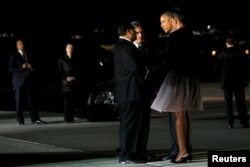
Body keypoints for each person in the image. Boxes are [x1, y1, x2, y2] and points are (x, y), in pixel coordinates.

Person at [150, 7, 203, 163]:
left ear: (174, 20)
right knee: (184, 114)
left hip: (178, 79)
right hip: (190, 78)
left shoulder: (176, 37)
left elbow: (168, 62)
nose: (161, 25)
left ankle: (183, 151)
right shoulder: (190, 34)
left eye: (163, 21)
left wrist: (153, 77)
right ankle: (185, 149)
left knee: (178, 114)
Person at [113, 22, 147, 164]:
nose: (136, 33)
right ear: (128, 31)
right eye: (134, 31)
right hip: (130, 93)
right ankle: (127, 155)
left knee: (128, 125)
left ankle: (129, 154)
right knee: (130, 125)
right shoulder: (126, 47)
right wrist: (145, 81)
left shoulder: (119, 46)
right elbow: (134, 67)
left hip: (125, 93)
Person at [214, 36, 249, 128]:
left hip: (226, 81)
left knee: (228, 103)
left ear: (226, 44)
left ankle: (230, 123)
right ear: (235, 43)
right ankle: (244, 122)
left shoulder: (222, 54)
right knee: (241, 102)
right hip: (239, 81)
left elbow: (217, 68)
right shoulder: (241, 54)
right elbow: (246, 67)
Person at [8, 39, 45, 125]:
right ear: (17, 46)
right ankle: (20, 120)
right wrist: (21, 67)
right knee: (19, 101)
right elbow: (10, 69)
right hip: (19, 81)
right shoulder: (14, 55)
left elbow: (34, 65)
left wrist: (31, 66)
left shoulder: (27, 54)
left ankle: (35, 119)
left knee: (31, 100)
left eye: (22, 44)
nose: (21, 45)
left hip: (28, 80)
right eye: (19, 44)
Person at [58, 42, 77, 123]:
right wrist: (66, 78)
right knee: (66, 101)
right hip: (65, 83)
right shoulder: (62, 59)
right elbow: (60, 70)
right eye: (69, 47)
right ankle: (66, 118)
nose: (70, 49)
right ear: (66, 49)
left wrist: (74, 77)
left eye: (71, 48)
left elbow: (77, 69)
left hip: (73, 81)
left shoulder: (75, 58)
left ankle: (71, 118)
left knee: (72, 101)